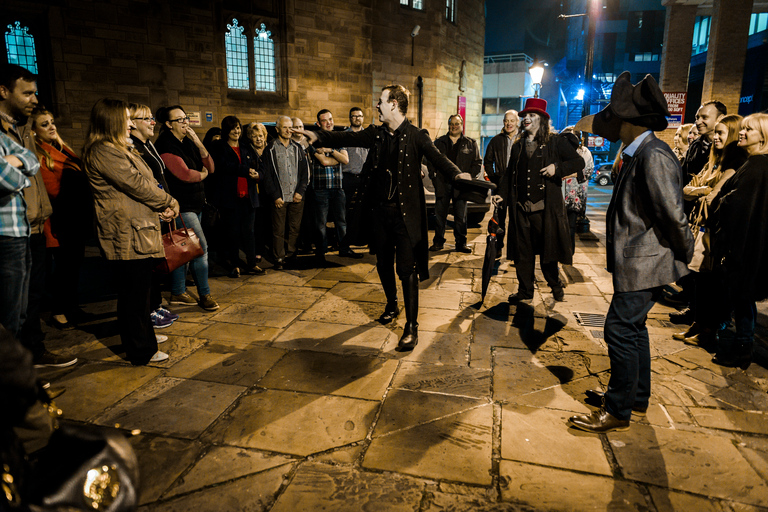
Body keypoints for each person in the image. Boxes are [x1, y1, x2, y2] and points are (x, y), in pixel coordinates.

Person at [296, 84, 471, 351]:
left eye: (381, 101)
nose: (377, 106)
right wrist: (317, 135)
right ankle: (392, 303)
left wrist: (457, 174)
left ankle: (411, 326)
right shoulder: (375, 135)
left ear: (395, 105)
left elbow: (438, 158)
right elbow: (346, 138)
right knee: (383, 262)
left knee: (406, 268)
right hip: (379, 213)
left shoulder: (416, 135)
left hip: (405, 216)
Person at [568, 72, 694, 433]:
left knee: (618, 330)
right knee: (634, 329)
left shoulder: (653, 155)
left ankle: (618, 409)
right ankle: (635, 397)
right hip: (640, 264)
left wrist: (687, 258)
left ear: (629, 122)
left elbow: (673, 214)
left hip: (647, 264)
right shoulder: (638, 151)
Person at [83, 98, 180, 365]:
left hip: (137, 228)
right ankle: (140, 350)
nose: (130, 123)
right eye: (126, 119)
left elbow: (146, 181)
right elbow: (137, 185)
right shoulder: (104, 150)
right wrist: (169, 202)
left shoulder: (119, 149)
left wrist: (161, 205)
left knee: (140, 293)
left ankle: (142, 337)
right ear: (112, 120)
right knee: (134, 296)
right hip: (126, 233)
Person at [0, 63, 76, 368]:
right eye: (27, 92)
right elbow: (12, 178)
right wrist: (19, 167)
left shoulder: (18, 127)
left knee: (26, 303)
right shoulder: (7, 129)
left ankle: (28, 360)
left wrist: (18, 163)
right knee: (11, 310)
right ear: (4, 91)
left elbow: (29, 165)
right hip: (11, 227)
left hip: (30, 222)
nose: (34, 98)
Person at [495, 97, 584, 303]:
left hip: (545, 211)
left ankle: (555, 284)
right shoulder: (518, 146)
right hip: (521, 210)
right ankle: (525, 291)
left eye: (532, 115)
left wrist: (557, 169)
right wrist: (502, 194)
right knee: (522, 254)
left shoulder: (555, 142)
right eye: (525, 115)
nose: (526, 118)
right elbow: (509, 174)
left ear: (542, 119)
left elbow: (577, 162)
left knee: (548, 254)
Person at [674, 114, 746, 347]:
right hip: (700, 229)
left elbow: (714, 198)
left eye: (721, 133)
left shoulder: (734, 166)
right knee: (698, 281)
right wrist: (704, 190)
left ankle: (707, 330)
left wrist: (704, 190)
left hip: (714, 234)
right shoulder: (714, 161)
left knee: (710, 285)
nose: (715, 137)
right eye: (715, 132)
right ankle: (698, 324)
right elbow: (687, 190)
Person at [709, 113, 768, 369]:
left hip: (743, 247)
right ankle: (741, 345)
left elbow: (738, 207)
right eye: (742, 128)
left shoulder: (757, 166)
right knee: (743, 300)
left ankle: (740, 348)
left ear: (763, 137)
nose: (742, 133)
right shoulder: (756, 164)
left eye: (749, 130)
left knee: (740, 299)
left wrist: (721, 201)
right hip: (750, 245)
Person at [30, 108, 93, 330]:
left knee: (73, 266)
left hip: (74, 217)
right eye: (44, 124)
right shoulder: (39, 155)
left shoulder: (62, 148)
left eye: (52, 122)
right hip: (59, 220)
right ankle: (58, 311)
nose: (52, 127)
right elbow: (53, 189)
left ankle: (71, 307)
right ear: (33, 131)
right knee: (64, 268)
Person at [155, 105, 219, 311]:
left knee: (184, 251)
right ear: (168, 124)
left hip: (196, 203)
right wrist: (201, 175)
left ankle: (178, 291)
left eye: (186, 118)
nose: (185, 122)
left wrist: (198, 142)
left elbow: (210, 166)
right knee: (200, 249)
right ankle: (205, 294)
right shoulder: (166, 144)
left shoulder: (187, 142)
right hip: (182, 207)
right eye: (180, 119)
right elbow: (184, 174)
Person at [128, 103, 180, 329]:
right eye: (146, 118)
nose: (152, 122)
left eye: (151, 118)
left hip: (161, 206)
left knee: (157, 260)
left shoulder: (147, 144)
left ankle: (156, 304)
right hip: (150, 211)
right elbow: (142, 185)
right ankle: (149, 309)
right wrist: (162, 204)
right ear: (132, 124)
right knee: (148, 264)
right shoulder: (133, 148)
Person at [210, 116, 264, 277]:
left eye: (238, 127)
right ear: (226, 130)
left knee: (249, 232)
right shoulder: (219, 147)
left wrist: (257, 175)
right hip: (230, 198)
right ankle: (234, 265)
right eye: (233, 128)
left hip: (248, 197)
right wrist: (244, 170)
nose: (236, 131)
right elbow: (222, 166)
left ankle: (252, 263)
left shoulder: (246, 147)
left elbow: (259, 166)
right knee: (232, 233)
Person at [309, 109, 359, 262]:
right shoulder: (314, 141)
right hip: (321, 189)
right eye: (325, 120)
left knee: (341, 221)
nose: (329, 122)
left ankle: (344, 249)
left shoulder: (339, 139)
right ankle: (321, 252)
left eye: (331, 119)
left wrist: (329, 150)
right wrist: (336, 156)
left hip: (338, 188)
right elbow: (324, 161)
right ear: (318, 123)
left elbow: (346, 160)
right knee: (320, 223)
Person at [261, 116, 310, 269]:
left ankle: (291, 255)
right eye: (285, 127)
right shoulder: (270, 149)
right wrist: (275, 195)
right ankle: (279, 258)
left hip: (296, 196)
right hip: (279, 198)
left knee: (294, 228)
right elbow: (266, 175)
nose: (289, 130)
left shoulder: (298, 148)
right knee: (278, 230)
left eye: (291, 127)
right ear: (277, 129)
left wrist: (300, 191)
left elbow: (305, 173)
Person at [429, 114, 481, 253]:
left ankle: (461, 243)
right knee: (440, 216)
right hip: (442, 183)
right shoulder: (439, 142)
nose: (454, 126)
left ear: (462, 124)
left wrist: (469, 176)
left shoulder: (470, 143)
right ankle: (438, 242)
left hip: (461, 186)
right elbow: (430, 161)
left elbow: (477, 164)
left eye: (456, 124)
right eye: (451, 124)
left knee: (460, 216)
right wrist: (434, 177)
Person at [483, 110, 519, 249]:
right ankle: (497, 248)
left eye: (512, 120)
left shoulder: (522, 139)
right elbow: (488, 161)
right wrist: (495, 178)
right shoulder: (496, 140)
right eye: (506, 120)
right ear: (503, 122)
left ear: (517, 122)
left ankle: (515, 251)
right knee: (499, 219)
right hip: (501, 185)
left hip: (517, 185)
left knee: (516, 221)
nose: (509, 123)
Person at [560, 127, 592, 253]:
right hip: (560, 193)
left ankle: (569, 252)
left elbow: (588, 170)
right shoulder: (560, 150)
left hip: (575, 196)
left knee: (571, 226)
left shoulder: (584, 151)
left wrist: (571, 173)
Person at [341, 107, 369, 248]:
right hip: (348, 178)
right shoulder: (345, 136)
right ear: (350, 118)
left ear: (363, 118)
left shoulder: (368, 136)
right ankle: (347, 240)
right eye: (354, 116)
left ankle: (363, 239)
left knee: (364, 210)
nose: (357, 118)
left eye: (359, 116)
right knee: (346, 211)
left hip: (365, 178)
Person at [245, 122, 269, 262]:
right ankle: (258, 250)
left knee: (269, 223)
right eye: (255, 136)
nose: (258, 139)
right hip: (255, 192)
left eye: (260, 136)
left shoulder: (270, 149)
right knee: (257, 223)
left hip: (270, 190)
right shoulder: (248, 150)